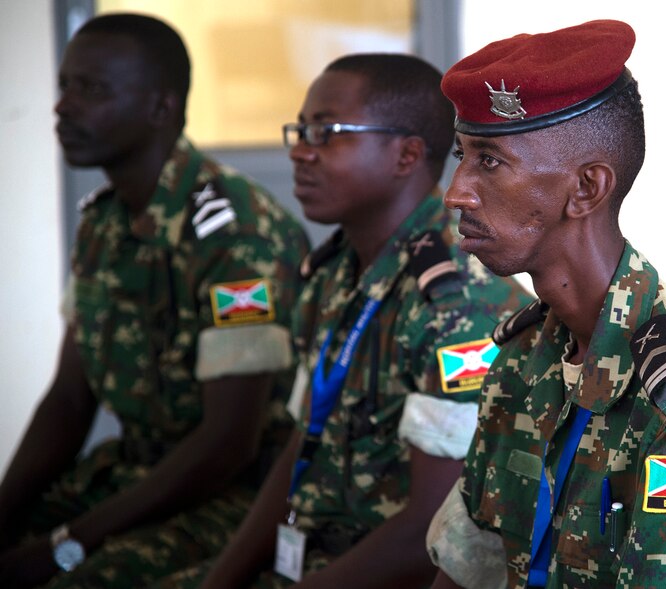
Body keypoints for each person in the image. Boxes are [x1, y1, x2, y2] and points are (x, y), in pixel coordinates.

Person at [425, 19, 666, 589]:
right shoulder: (525, 352)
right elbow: (471, 563)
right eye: (461, 155)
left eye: (489, 162)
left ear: (587, 188)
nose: (456, 192)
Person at [156, 53, 531, 589]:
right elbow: (303, 440)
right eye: (300, 132)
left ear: (406, 155)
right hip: (313, 556)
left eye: (327, 133)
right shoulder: (333, 274)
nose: (300, 152)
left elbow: (430, 533)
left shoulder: (460, 302)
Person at [0, 13, 310, 589]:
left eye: (92, 90)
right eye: (65, 86)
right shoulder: (104, 222)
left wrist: (66, 545)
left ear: (160, 108)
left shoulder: (234, 233)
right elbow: (68, 401)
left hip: (230, 494)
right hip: (133, 473)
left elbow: (228, 444)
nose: (63, 107)